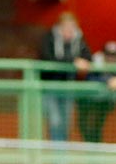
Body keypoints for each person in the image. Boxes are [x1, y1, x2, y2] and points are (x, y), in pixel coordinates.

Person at [38, 11, 92, 143]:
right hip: (50, 87)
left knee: (66, 122)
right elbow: (48, 58)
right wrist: (73, 61)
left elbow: (87, 58)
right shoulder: (49, 38)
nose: (69, 30)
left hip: (69, 87)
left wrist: (81, 62)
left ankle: (62, 155)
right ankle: (57, 153)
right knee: (55, 121)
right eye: (66, 27)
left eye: (72, 27)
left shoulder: (79, 40)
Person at [76, 41, 116, 144]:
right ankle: (91, 147)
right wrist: (108, 81)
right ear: (103, 54)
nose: (111, 59)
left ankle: (95, 149)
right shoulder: (95, 61)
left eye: (113, 56)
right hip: (87, 102)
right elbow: (90, 78)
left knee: (97, 126)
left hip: (104, 102)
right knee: (85, 126)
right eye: (108, 55)